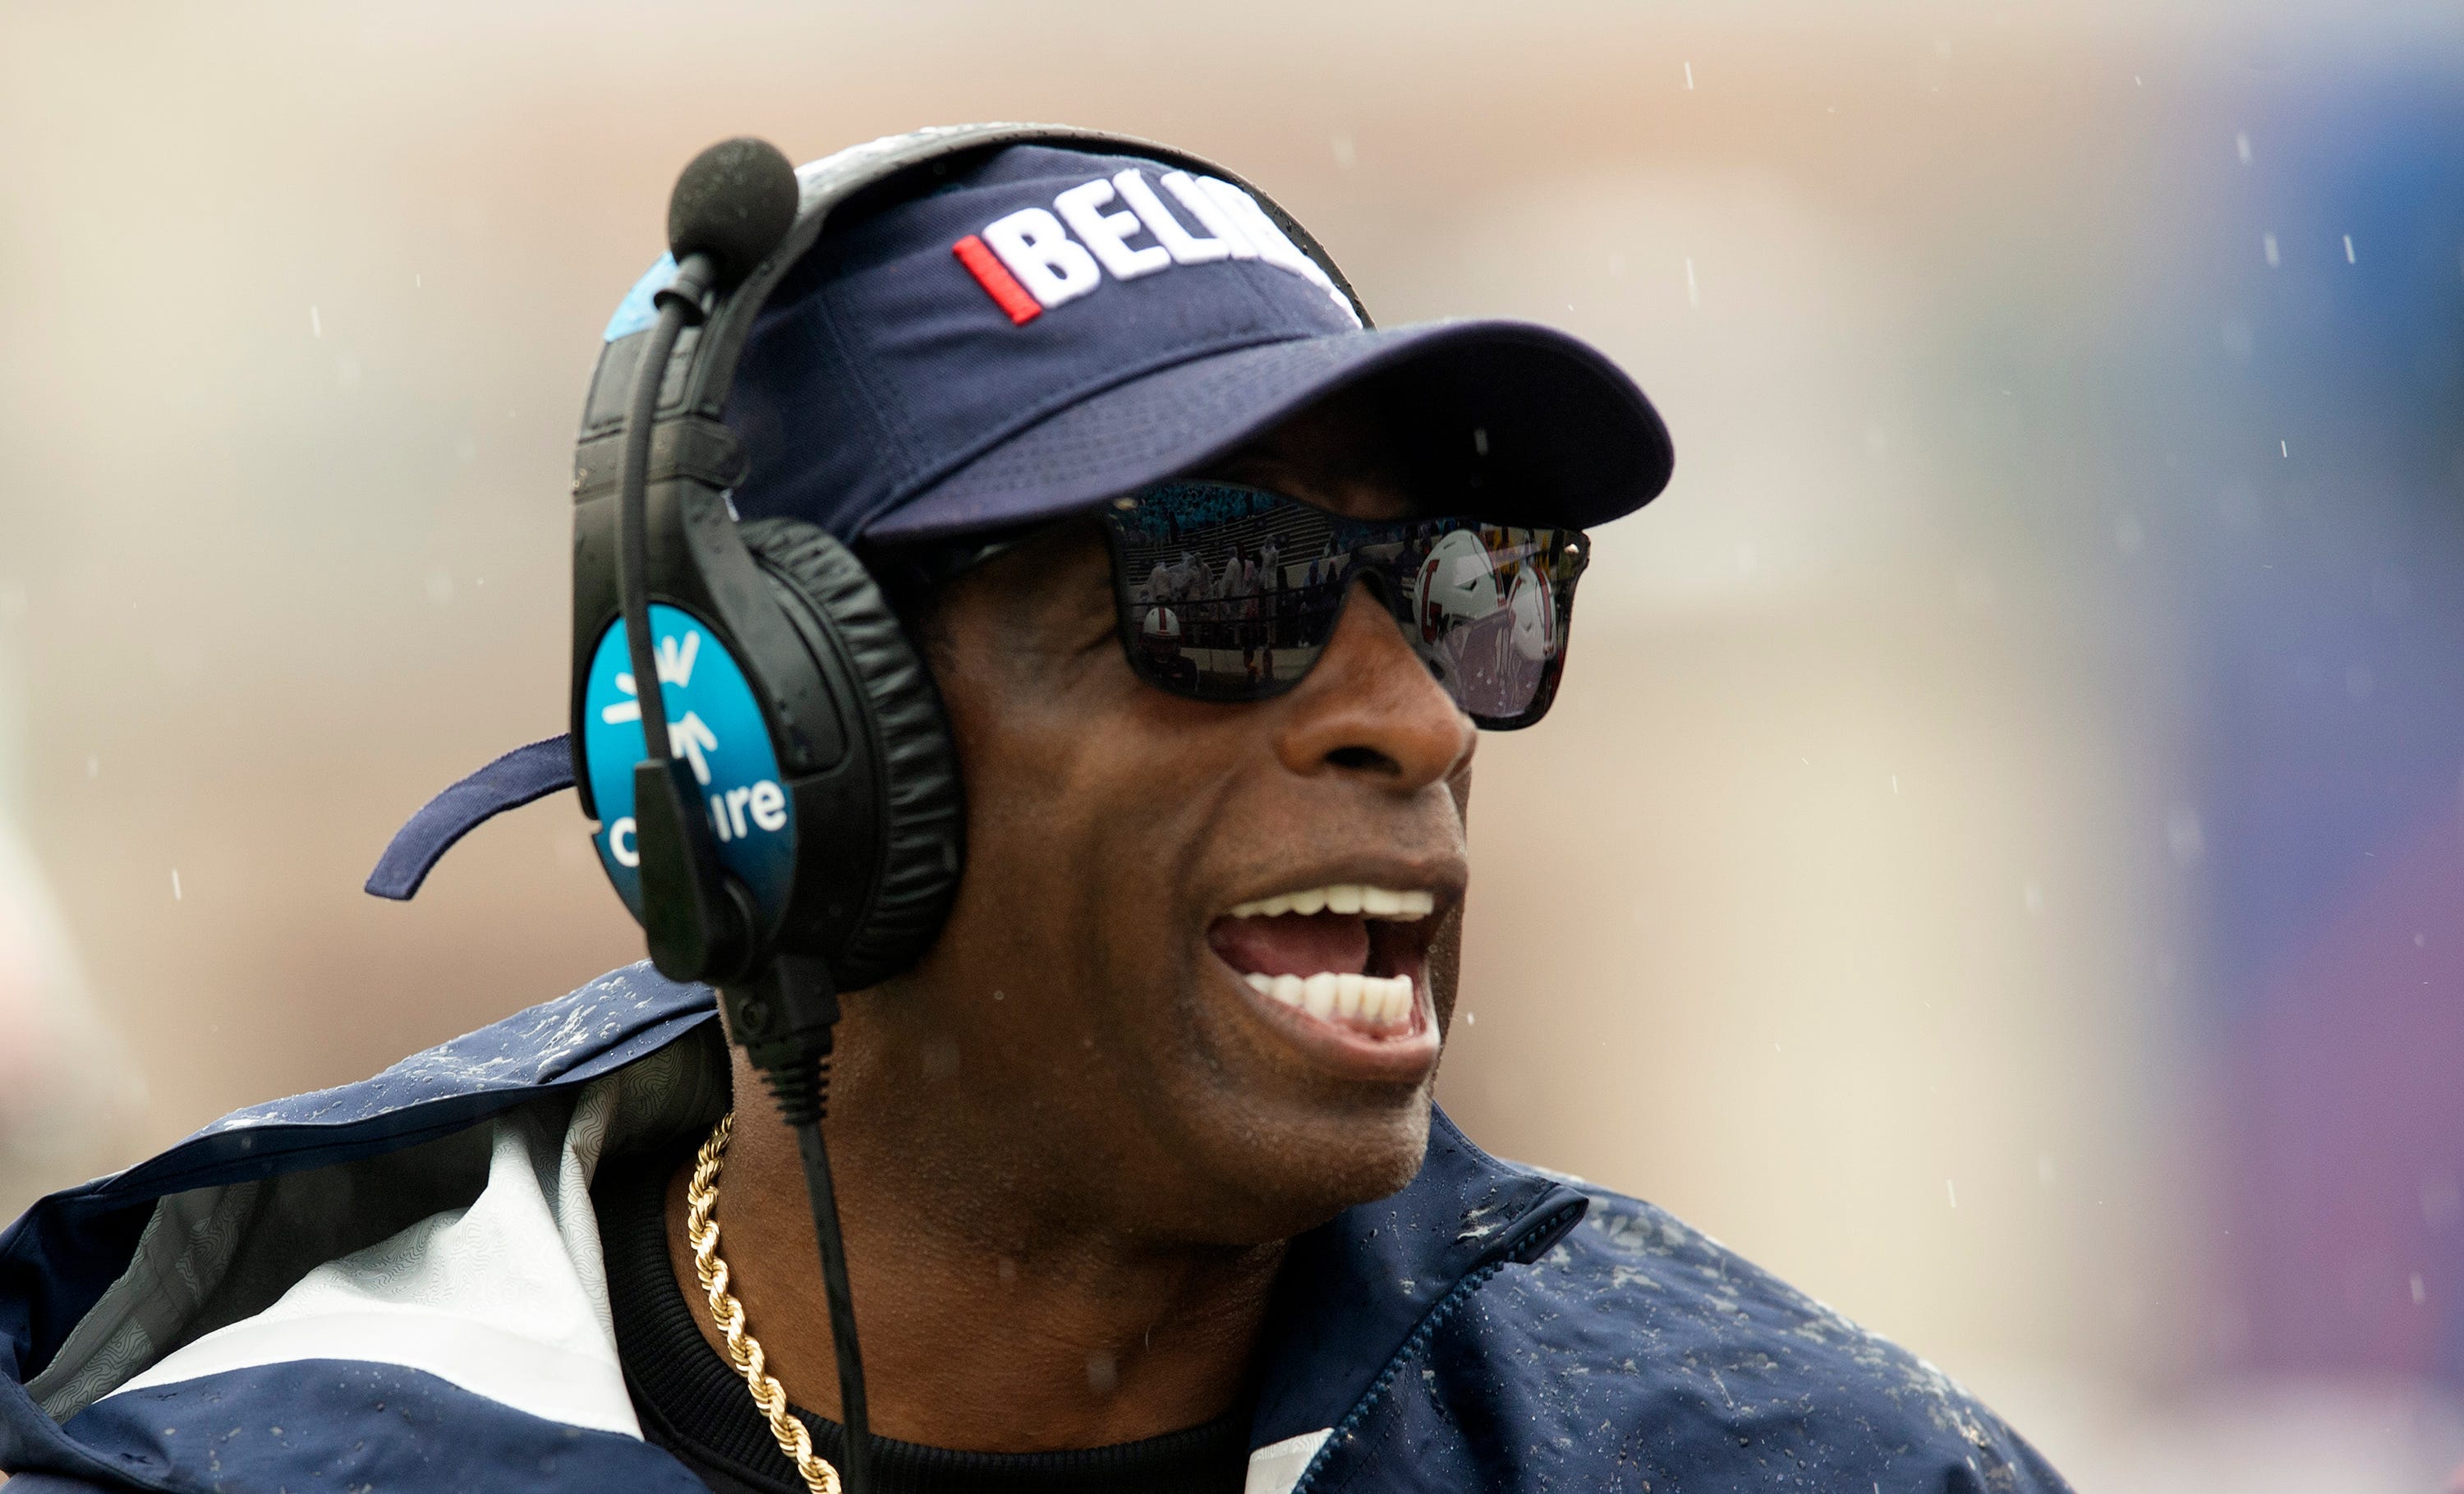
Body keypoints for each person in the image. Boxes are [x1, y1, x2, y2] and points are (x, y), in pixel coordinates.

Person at [0, 131, 2071, 1493]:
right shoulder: (245, 1459)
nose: (1418, 716)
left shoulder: (1788, 1462)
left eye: (1466, 588)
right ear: (786, 748)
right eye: (1227, 585)